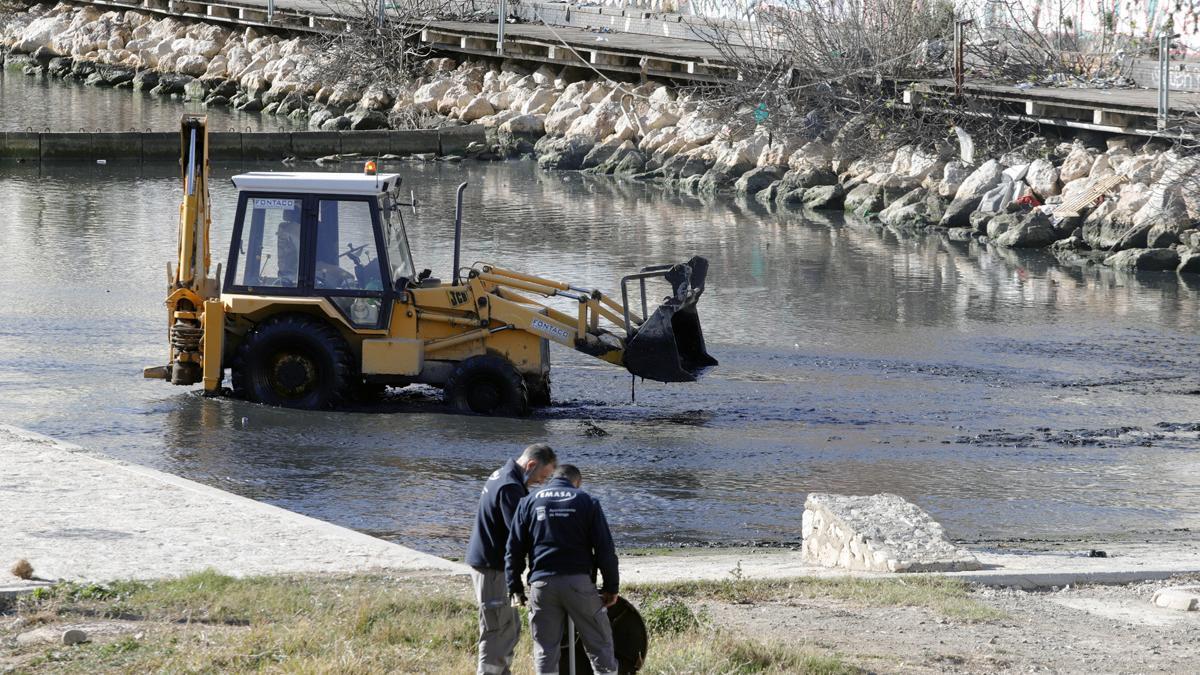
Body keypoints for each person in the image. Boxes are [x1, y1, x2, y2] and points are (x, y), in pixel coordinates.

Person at [505, 464, 619, 675]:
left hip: (541, 584)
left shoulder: (527, 501)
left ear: (553, 478)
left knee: (545, 650)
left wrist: (515, 587)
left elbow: (513, 549)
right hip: (579, 584)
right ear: (577, 482)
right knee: (599, 645)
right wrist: (611, 587)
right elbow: (605, 549)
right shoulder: (587, 501)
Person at [466, 444, 558, 675]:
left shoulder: (502, 475)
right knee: (497, 627)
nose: (540, 483)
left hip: (490, 563)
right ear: (531, 465)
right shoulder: (510, 487)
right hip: (492, 566)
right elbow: (520, 533)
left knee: (510, 626)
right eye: (542, 476)